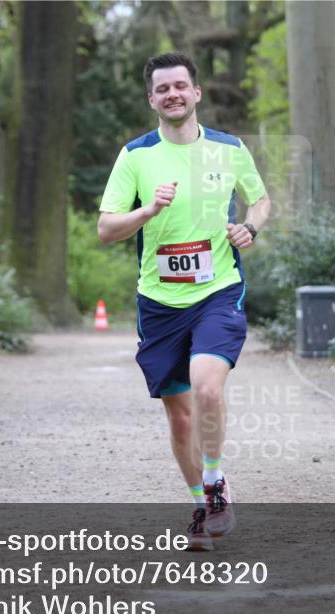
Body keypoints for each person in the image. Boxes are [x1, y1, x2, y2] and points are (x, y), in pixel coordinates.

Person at [97, 53, 271, 551]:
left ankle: (215, 485)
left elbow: (260, 200)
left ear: (196, 93)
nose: (172, 94)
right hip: (159, 301)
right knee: (180, 415)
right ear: (151, 100)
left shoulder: (229, 148)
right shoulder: (136, 156)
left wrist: (250, 226)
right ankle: (200, 501)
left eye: (180, 86)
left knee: (207, 389)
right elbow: (107, 228)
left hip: (217, 290)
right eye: (162, 89)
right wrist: (148, 209)